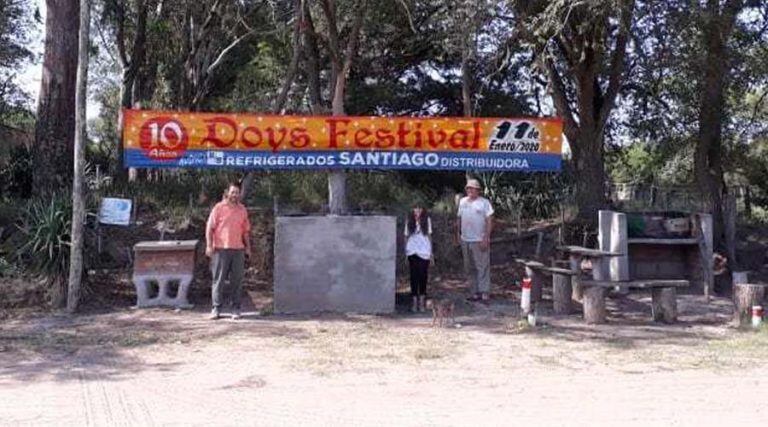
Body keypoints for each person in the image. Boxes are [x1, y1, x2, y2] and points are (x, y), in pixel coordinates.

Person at [205, 183, 252, 320]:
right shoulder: (218, 208)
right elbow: (209, 228)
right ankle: (216, 308)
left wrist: (248, 247)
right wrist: (209, 246)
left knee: (237, 281)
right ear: (227, 193)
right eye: (233, 192)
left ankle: (235, 309)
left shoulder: (242, 209)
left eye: (237, 192)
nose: (235, 195)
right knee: (218, 280)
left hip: (238, 250)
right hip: (221, 249)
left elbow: (246, 231)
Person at [455, 178, 494, 301]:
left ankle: (484, 292)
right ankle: (474, 292)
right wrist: (457, 234)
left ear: (478, 190)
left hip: (479, 239)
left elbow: (490, 221)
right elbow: (459, 218)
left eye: (472, 188)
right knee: (469, 267)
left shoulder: (484, 203)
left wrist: (486, 237)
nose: (470, 190)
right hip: (465, 239)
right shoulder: (462, 202)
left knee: (482, 266)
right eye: (468, 188)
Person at [405, 203, 433, 312]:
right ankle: (414, 302)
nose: (417, 210)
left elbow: (430, 236)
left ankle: (422, 302)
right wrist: (405, 253)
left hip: (424, 251)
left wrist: (431, 253)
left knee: (423, 276)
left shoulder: (427, 220)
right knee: (413, 277)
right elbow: (406, 236)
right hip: (412, 251)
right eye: (415, 208)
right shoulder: (409, 220)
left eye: (420, 208)